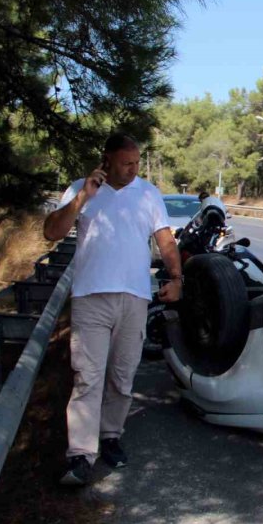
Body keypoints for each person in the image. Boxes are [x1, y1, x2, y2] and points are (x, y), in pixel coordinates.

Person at [44, 133, 182, 486]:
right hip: (91, 297)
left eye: (137, 162)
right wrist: (82, 198)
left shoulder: (148, 193)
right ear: (107, 160)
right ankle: (80, 454)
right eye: (126, 163)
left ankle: (110, 437)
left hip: (134, 298)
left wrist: (177, 277)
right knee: (87, 376)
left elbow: (165, 239)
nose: (134, 169)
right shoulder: (81, 189)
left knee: (122, 376)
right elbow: (51, 232)